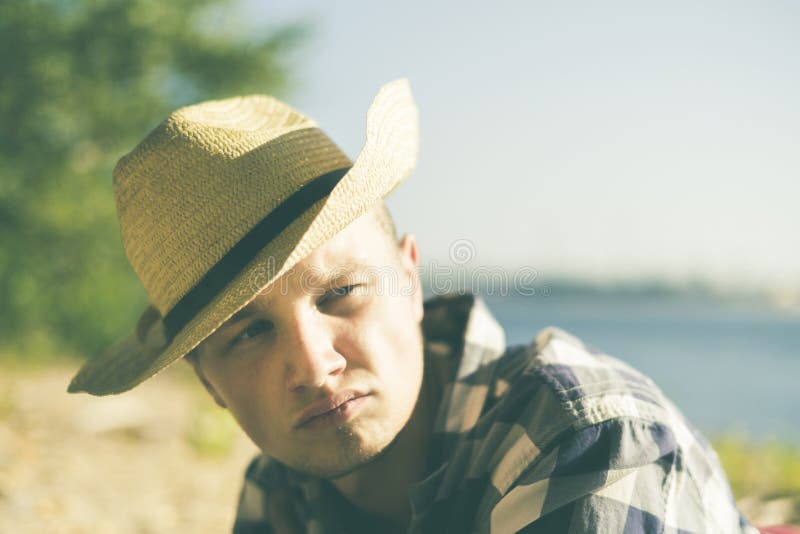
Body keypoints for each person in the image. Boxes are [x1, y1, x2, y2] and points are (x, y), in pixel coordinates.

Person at [69, 79, 758, 533]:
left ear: (411, 278)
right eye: (248, 333)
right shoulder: (279, 495)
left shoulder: (586, 439)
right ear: (207, 381)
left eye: (340, 293)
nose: (312, 366)